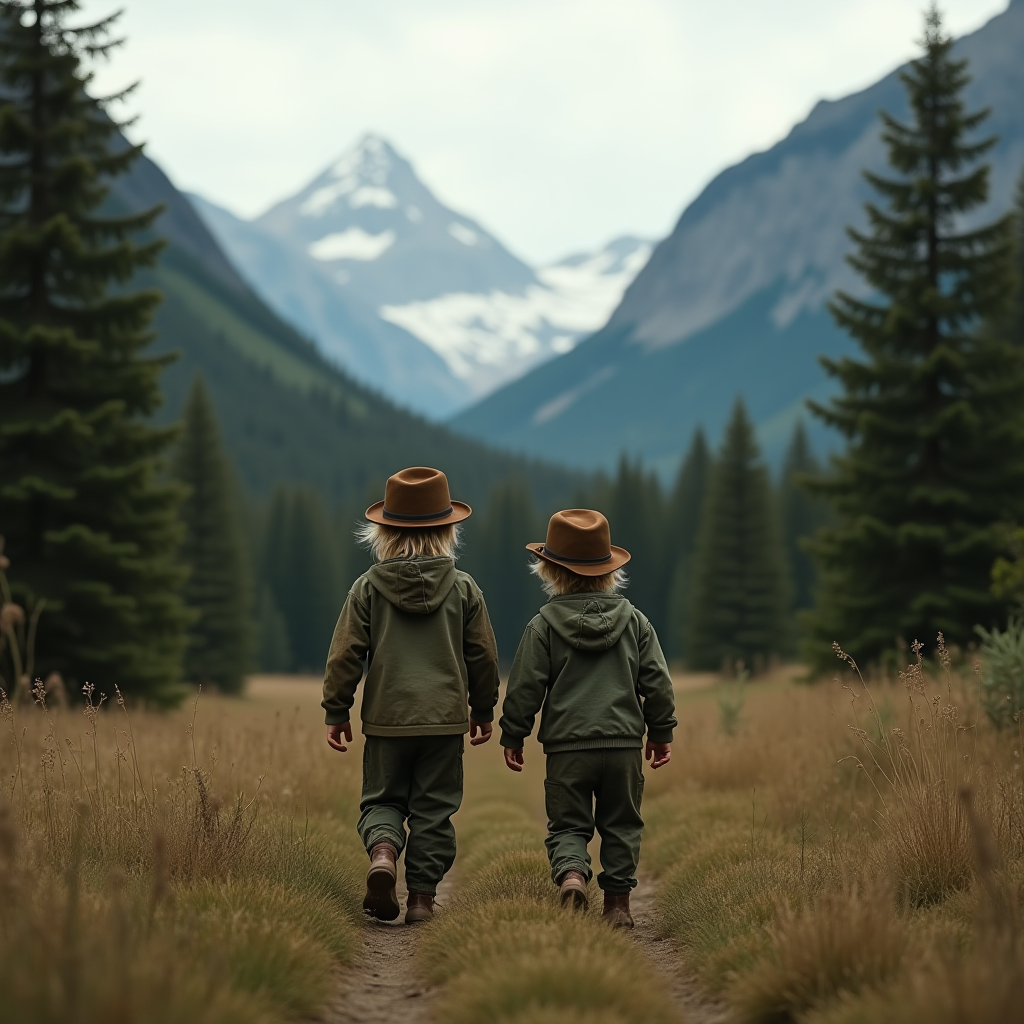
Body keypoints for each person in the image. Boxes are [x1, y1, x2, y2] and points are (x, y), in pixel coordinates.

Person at [322, 467, 499, 924]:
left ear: (381, 532)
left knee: (382, 800)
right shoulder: (464, 588)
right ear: (447, 531)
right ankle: (420, 899)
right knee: (434, 810)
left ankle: (383, 852)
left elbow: (345, 655)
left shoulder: (366, 588)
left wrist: (336, 710)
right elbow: (482, 655)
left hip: (386, 719)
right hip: (443, 723)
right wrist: (484, 708)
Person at [498, 508, 676, 928]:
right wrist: (661, 731)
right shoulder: (635, 621)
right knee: (621, 824)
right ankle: (617, 906)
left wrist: (513, 735)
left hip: (567, 748)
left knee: (568, 825)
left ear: (549, 570)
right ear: (609, 570)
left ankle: (574, 876)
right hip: (623, 746)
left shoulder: (542, 626)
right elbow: (658, 682)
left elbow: (524, 687)